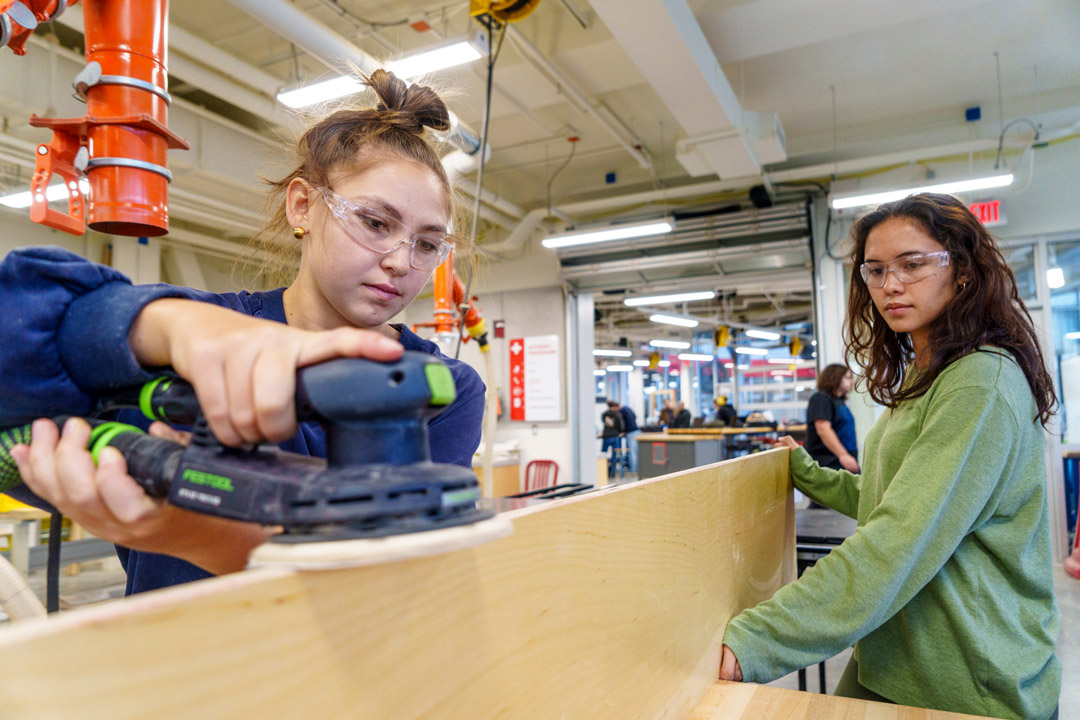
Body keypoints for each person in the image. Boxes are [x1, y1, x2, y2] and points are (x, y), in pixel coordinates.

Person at [0, 70, 485, 595]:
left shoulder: (443, 387)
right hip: (171, 661)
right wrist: (161, 322)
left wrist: (190, 533)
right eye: (374, 223)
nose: (399, 262)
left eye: (428, 244)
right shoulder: (196, 335)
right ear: (302, 205)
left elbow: (390, 584)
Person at [719, 193, 1061, 720]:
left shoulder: (979, 381)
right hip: (893, 659)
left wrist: (758, 640)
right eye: (875, 270)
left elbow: (902, 536)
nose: (890, 285)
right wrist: (805, 472)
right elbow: (892, 495)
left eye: (913, 264)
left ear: (963, 270)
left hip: (967, 679)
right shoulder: (928, 376)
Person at [804, 364, 858, 473]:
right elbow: (823, 429)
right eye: (847, 377)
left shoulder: (839, 401)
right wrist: (843, 456)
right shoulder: (821, 399)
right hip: (829, 464)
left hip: (843, 463)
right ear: (835, 378)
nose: (851, 382)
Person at [599, 400, 625, 476]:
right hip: (615, 436)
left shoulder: (604, 414)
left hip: (606, 436)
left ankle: (604, 472)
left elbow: (604, 422)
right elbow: (621, 426)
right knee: (614, 455)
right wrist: (621, 431)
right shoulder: (617, 414)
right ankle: (612, 473)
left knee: (604, 455)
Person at [614, 401, 640, 475]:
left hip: (630, 432)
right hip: (637, 431)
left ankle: (634, 470)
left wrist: (623, 431)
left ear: (616, 407)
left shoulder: (621, 411)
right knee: (636, 452)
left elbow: (622, 423)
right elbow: (635, 417)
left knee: (632, 453)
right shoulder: (627, 408)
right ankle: (636, 469)